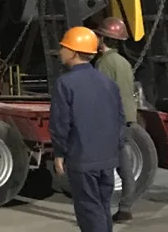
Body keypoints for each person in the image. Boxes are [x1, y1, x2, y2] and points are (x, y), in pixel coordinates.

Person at [50, 25, 127, 232]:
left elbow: (61, 122)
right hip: (107, 159)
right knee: (102, 208)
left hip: (82, 159)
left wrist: (59, 153)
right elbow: (120, 119)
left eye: (64, 47)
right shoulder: (108, 83)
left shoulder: (65, 83)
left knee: (89, 210)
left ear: (74, 52)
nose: (60, 51)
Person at [95, 17, 139, 223]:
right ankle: (126, 208)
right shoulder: (124, 62)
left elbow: (100, 94)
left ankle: (100, 211)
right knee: (125, 168)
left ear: (103, 38)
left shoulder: (104, 63)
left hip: (111, 121)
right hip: (127, 119)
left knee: (103, 167)